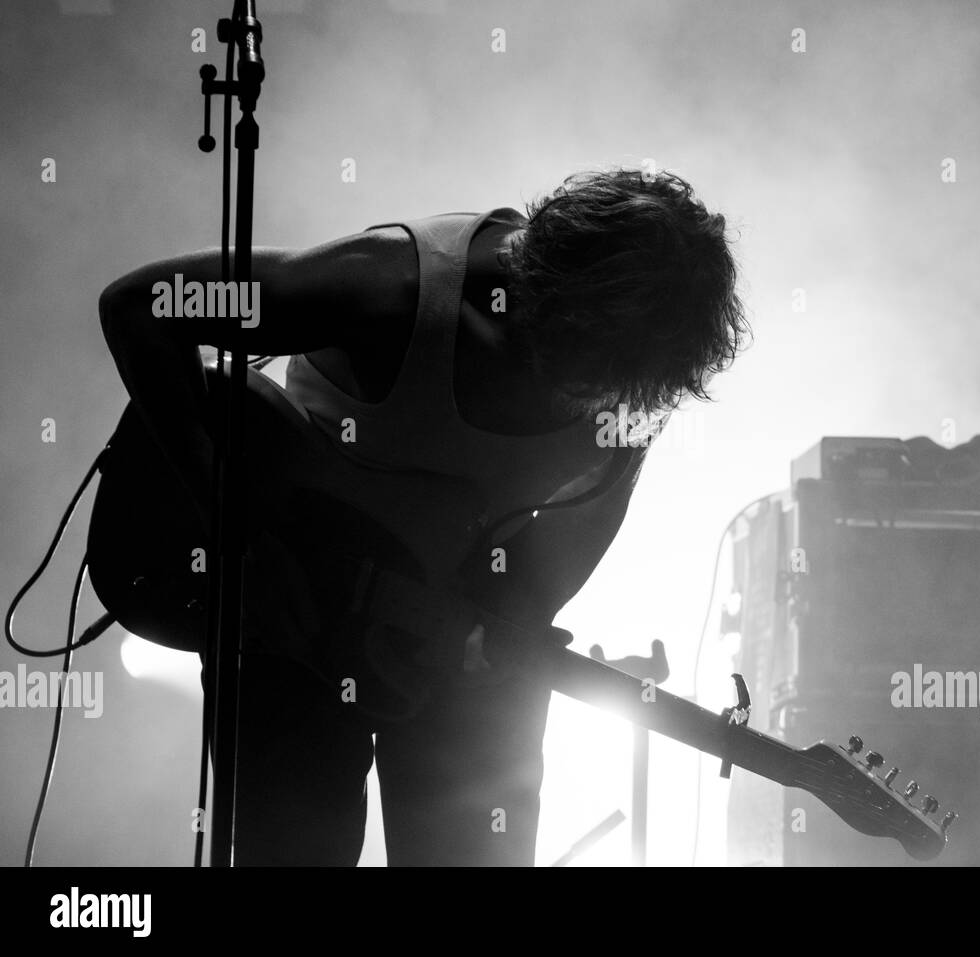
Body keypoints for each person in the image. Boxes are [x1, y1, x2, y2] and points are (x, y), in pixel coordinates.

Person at [97, 168, 747, 865]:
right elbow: (141, 305)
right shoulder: (394, 288)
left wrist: (460, 643)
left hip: (445, 634)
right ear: (548, 303)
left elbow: (532, 588)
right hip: (289, 618)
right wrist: (238, 535)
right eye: (590, 361)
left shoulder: (634, 382)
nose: (600, 399)